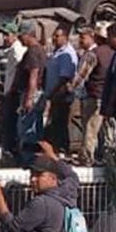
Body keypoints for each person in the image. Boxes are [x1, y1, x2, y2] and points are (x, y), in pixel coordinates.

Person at [69, 27, 113, 164]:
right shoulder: (113, 53)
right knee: (103, 130)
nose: (80, 40)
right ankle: (104, 157)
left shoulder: (94, 54)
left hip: (93, 95)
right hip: (107, 96)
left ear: (95, 37)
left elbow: (82, 75)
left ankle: (87, 158)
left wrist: (71, 87)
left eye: (83, 37)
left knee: (90, 128)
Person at [0, 21, 26, 155]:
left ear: (15, 35)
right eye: (4, 35)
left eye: (7, 35)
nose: (5, 38)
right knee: (5, 118)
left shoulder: (19, 50)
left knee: (12, 119)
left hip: (15, 90)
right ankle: (7, 146)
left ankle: (12, 147)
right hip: (4, 88)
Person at [14, 21, 48, 164]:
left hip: (32, 94)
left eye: (21, 36)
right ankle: (36, 160)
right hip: (38, 93)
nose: (19, 39)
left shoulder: (32, 52)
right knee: (36, 127)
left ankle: (28, 160)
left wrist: (28, 98)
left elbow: (33, 75)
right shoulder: (40, 49)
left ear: (28, 35)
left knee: (27, 129)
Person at [43, 25, 78, 154]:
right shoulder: (57, 52)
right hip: (54, 95)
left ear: (65, 37)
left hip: (62, 96)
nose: (54, 38)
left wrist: (53, 92)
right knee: (55, 125)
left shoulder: (67, 53)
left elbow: (65, 77)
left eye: (57, 36)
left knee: (60, 124)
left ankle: (62, 150)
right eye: (54, 35)